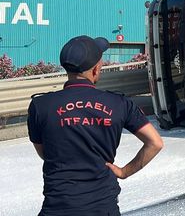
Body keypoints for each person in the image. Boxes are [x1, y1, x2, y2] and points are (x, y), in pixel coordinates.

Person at [27, 35, 164, 215]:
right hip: (102, 207)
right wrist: (124, 172)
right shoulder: (119, 104)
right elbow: (155, 143)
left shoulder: (40, 105)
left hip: (57, 207)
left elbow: (44, 153)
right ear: (96, 70)